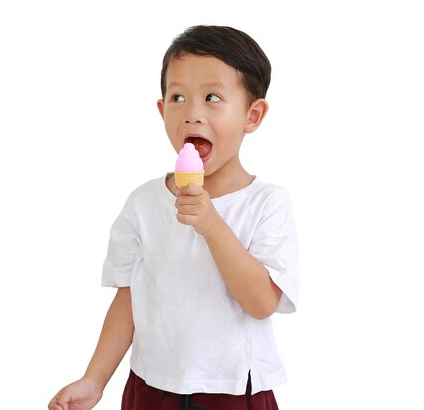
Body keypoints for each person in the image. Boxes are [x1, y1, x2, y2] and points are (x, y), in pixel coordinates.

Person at [48, 25, 299, 410]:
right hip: (151, 385)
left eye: (212, 97)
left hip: (233, 389)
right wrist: (94, 380)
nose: (192, 113)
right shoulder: (144, 203)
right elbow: (129, 298)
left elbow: (262, 302)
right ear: (162, 110)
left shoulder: (266, 203)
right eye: (178, 97)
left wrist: (212, 225)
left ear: (253, 115)